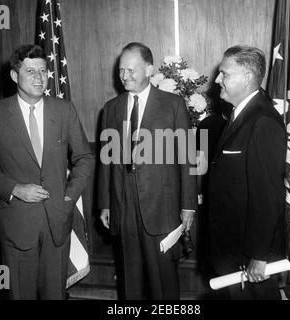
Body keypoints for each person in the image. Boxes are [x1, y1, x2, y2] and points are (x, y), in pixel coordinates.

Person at [0, 44, 94, 300]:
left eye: (43, 71)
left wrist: (68, 196)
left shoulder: (64, 109)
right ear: (15, 76)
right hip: (17, 224)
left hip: (57, 222)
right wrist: (14, 188)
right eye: (30, 71)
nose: (39, 77)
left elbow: (85, 158)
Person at [98, 42, 197, 299]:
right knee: (130, 281)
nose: (124, 76)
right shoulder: (111, 108)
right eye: (121, 70)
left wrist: (188, 205)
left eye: (131, 70)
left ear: (150, 70)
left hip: (161, 205)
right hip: (123, 203)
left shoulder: (173, 104)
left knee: (162, 281)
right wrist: (105, 203)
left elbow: (187, 158)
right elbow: (106, 162)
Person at [208, 45, 287, 299]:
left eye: (224, 74)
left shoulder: (262, 121)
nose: (217, 79)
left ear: (248, 78)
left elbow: (268, 195)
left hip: (249, 253)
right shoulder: (238, 114)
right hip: (230, 246)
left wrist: (259, 255)